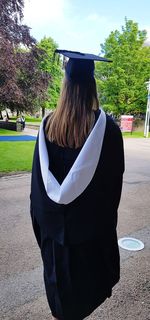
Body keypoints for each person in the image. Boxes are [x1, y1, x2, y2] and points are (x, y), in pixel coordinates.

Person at [30, 49, 125, 320]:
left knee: (60, 301)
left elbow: (36, 192)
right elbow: (111, 195)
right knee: (83, 299)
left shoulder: (47, 126)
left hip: (54, 242)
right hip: (89, 240)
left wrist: (46, 233)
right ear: (92, 85)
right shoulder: (108, 130)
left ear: (65, 85)